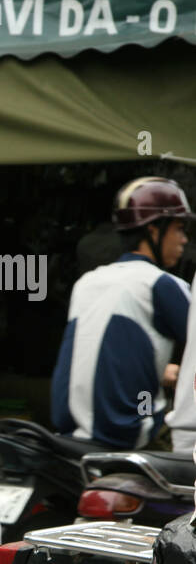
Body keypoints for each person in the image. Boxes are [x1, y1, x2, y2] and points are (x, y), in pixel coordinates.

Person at [51, 176, 192, 450]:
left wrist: (159, 370)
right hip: (129, 432)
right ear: (154, 230)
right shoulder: (161, 285)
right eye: (179, 229)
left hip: (70, 435)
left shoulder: (87, 283)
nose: (185, 240)